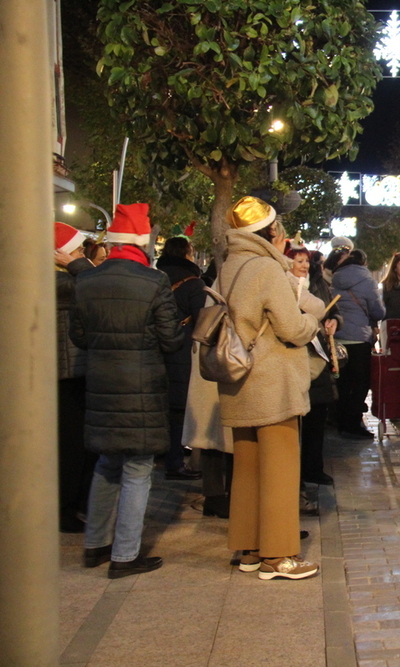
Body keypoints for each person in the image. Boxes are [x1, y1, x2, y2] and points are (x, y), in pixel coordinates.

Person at [72, 203, 184, 578]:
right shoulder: (153, 282)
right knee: (137, 467)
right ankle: (125, 555)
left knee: (106, 464)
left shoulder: (86, 280)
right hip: (142, 385)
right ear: (143, 243)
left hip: (101, 382)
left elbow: (78, 335)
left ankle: (94, 545)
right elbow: (170, 340)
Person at [217, 196, 321, 580]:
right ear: (270, 232)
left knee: (246, 464)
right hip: (271, 381)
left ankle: (249, 548)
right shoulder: (265, 268)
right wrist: (311, 321)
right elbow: (292, 327)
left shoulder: (230, 264)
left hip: (240, 379)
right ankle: (278, 556)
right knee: (280, 467)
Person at [286, 247, 341, 486]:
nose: (304, 265)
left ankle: (313, 467)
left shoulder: (318, 284)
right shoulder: (283, 286)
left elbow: (334, 311)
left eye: (306, 261)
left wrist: (334, 321)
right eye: (298, 261)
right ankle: (294, 472)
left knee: (317, 416)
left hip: (318, 358)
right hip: (294, 357)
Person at [55, 222, 97, 533]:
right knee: (70, 446)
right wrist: (80, 265)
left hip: (72, 371)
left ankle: (75, 503)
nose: (83, 255)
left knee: (80, 445)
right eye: (78, 250)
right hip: (63, 374)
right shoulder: (61, 281)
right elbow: (97, 284)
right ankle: (64, 508)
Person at [156, 236, 207, 481]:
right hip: (182, 350)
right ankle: (174, 462)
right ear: (187, 254)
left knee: (159, 404)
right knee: (177, 408)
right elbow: (203, 322)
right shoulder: (193, 284)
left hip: (154, 350)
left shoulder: (155, 278)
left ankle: (160, 452)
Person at [330, 248, 385, 439]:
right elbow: (377, 311)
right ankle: (353, 422)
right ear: (363, 262)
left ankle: (342, 421)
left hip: (337, 337)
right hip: (359, 339)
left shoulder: (335, 279)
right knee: (361, 383)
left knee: (343, 383)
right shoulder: (367, 280)